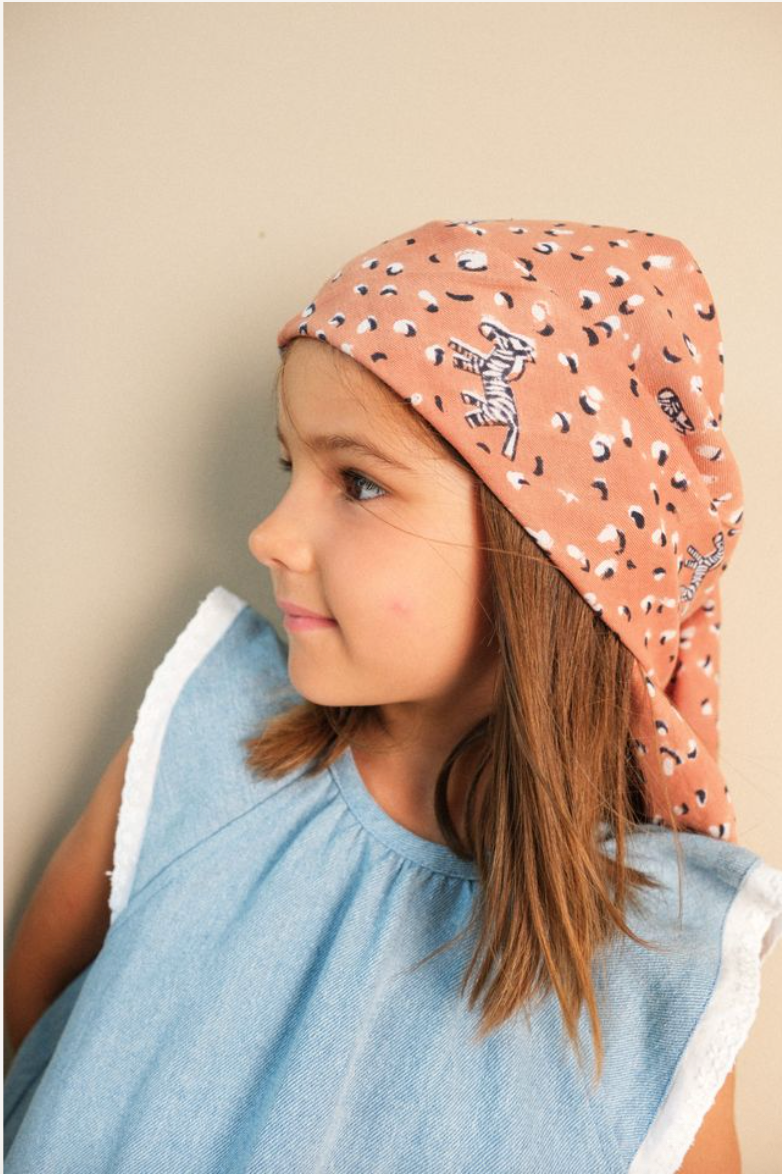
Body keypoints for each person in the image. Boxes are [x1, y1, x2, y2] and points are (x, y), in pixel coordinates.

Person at [5, 217, 782, 1173]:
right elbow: (41, 1031)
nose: (270, 534)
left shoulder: (654, 960)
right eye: (291, 467)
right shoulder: (206, 743)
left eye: (359, 483)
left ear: (548, 559)